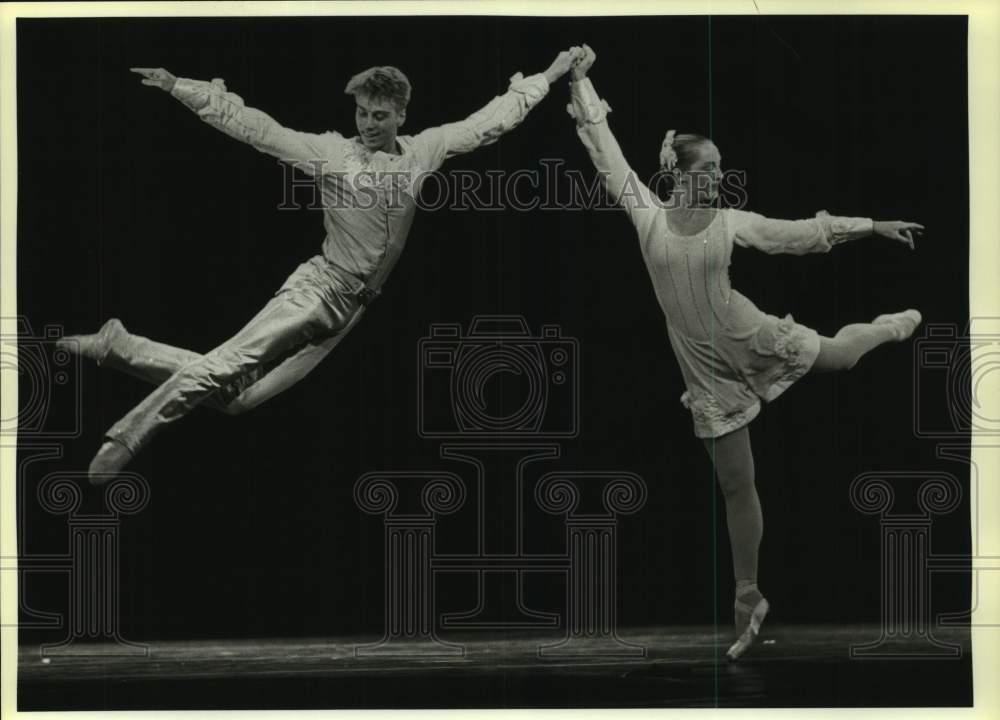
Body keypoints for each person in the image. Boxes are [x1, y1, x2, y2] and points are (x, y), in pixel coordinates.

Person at [61, 50, 584, 484]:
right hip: (317, 290)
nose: (369, 124)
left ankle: (121, 347)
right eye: (362, 114)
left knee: (239, 401)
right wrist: (182, 87)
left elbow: (491, 121)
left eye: (380, 115)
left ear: (401, 113)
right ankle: (127, 435)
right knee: (227, 363)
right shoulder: (331, 154)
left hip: (353, 311)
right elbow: (256, 129)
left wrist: (555, 73)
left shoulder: (424, 150)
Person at [565, 45, 925, 661]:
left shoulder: (729, 222)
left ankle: (891, 326)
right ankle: (747, 597)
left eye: (720, 168)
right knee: (738, 484)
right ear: (681, 170)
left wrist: (870, 224)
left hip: (747, 334)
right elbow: (604, 149)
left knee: (841, 355)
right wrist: (580, 81)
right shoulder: (647, 217)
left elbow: (797, 236)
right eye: (709, 167)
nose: (718, 175)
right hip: (704, 371)